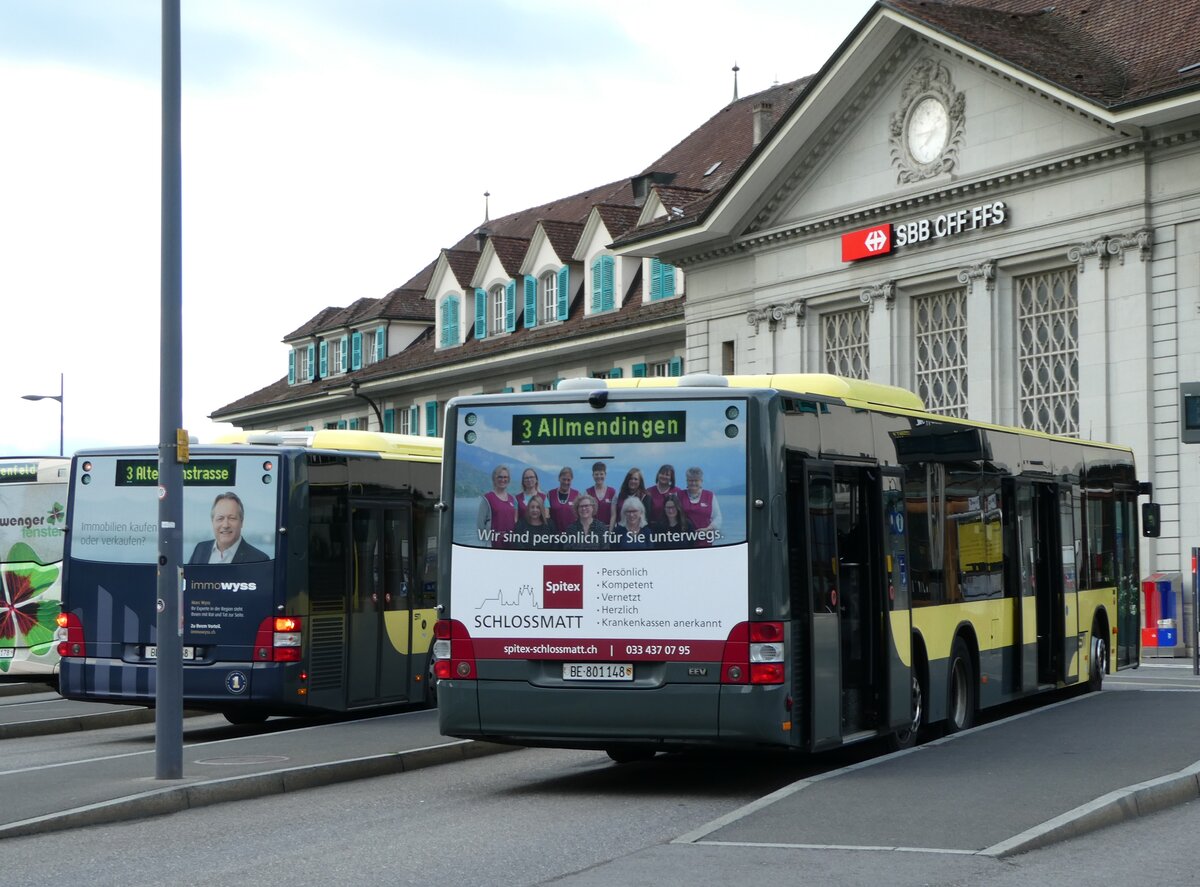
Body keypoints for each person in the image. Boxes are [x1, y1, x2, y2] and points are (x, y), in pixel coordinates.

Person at [188, 492, 269, 564]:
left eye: (232, 518)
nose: (225, 525)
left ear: (241, 522)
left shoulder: (259, 560)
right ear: (212, 522)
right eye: (220, 518)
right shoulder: (200, 549)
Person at [476, 464, 518, 548]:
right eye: (500, 477)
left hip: (511, 544)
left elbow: (515, 521)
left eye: (505, 477)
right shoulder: (487, 499)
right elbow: (480, 525)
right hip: (493, 545)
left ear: (508, 480)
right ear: (494, 479)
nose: (503, 480)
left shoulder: (513, 499)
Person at [679, 466, 722, 546]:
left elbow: (718, 517)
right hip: (684, 540)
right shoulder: (679, 495)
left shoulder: (710, 496)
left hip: (705, 540)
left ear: (701, 481)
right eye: (690, 480)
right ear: (686, 481)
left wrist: (708, 529)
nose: (693, 483)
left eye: (696, 480)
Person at [547, 466, 580, 532]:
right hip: (554, 536)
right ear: (559, 478)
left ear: (572, 480)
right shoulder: (550, 494)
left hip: (572, 536)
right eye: (564, 479)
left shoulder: (577, 495)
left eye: (568, 480)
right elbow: (546, 516)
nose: (566, 482)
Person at [586, 461, 616, 527]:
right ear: (593, 475)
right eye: (596, 474)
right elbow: (586, 515)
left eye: (601, 474)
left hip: (608, 530)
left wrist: (610, 532)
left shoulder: (612, 492)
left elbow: (613, 515)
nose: (599, 476)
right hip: (593, 531)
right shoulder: (588, 492)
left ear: (605, 474)